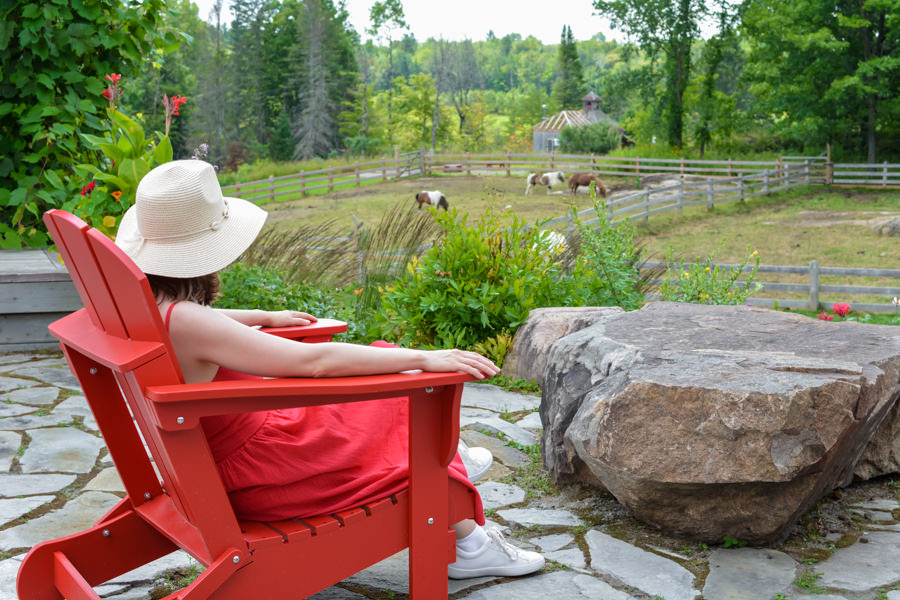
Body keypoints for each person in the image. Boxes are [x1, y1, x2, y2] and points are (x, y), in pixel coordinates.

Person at [114, 159, 544, 579]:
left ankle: (454, 460)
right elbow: (313, 362)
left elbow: (202, 323)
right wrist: (424, 358)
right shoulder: (191, 322)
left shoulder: (146, 308)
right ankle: (470, 542)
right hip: (265, 473)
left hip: (224, 457)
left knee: (379, 373)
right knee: (406, 386)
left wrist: (266, 313)